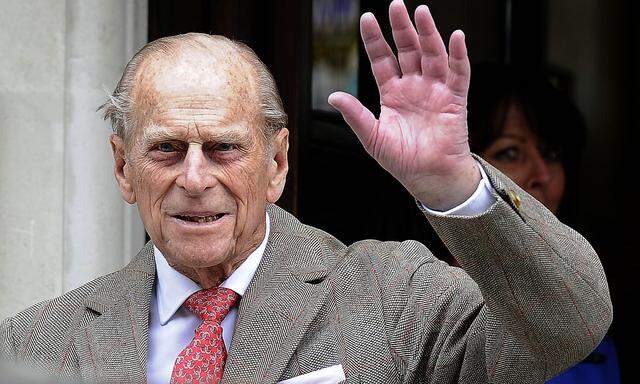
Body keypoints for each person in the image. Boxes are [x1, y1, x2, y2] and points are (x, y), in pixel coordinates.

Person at [0, 2, 611, 383]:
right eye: (165, 149)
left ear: (277, 163)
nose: (193, 178)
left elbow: (568, 328)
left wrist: (452, 182)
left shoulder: (390, 298)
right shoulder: (36, 346)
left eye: (223, 148)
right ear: (123, 169)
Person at [467, 63, 621, 383]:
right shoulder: (414, 290)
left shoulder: (586, 300)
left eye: (551, 154)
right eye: (510, 153)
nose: (542, 174)